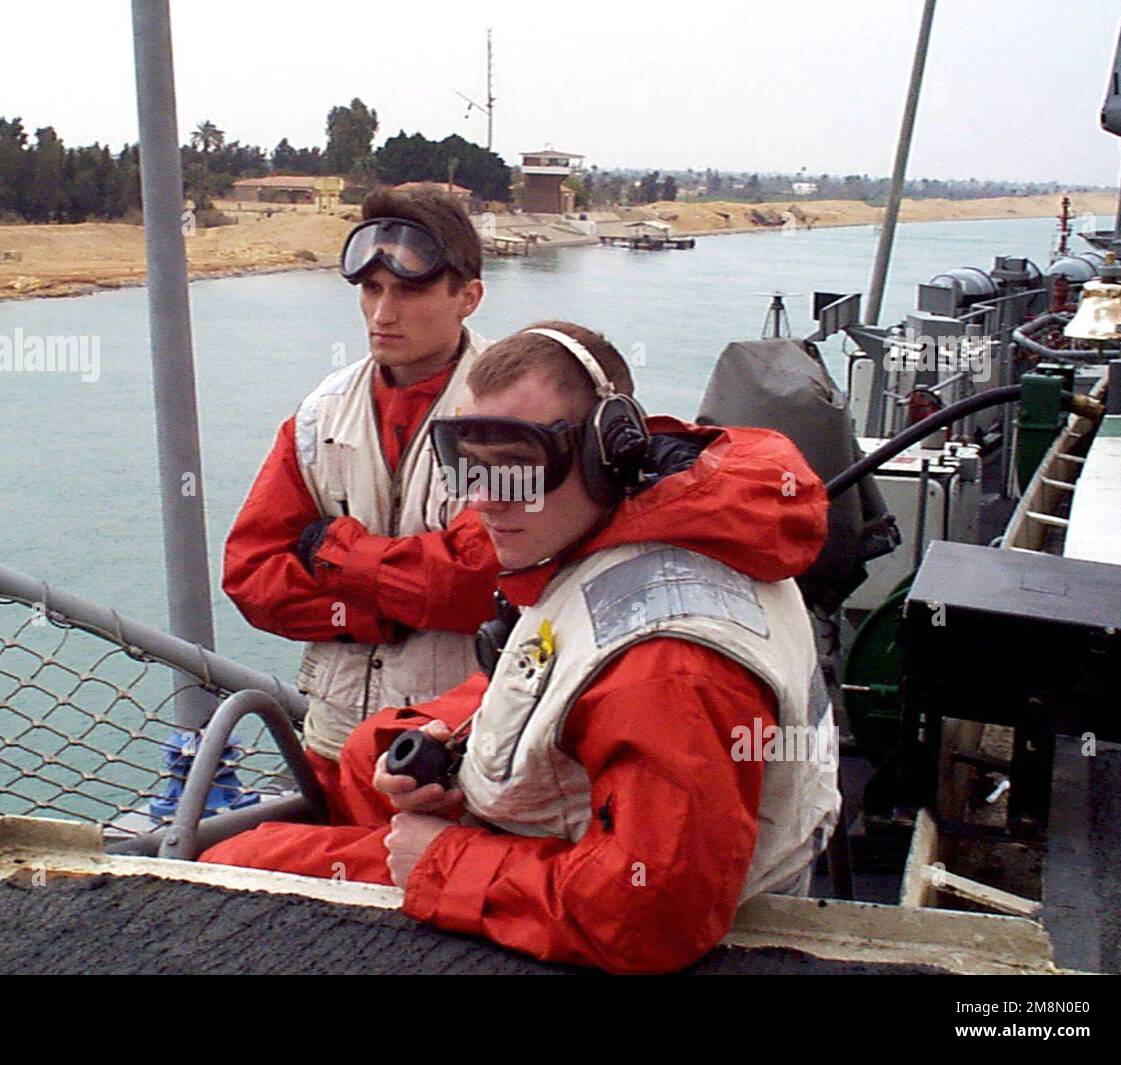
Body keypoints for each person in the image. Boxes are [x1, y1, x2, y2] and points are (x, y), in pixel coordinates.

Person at [203, 321, 841, 975]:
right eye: (469, 466)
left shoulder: (669, 667)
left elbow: (651, 913)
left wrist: (442, 863)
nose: (485, 501)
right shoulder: (638, 524)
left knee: (224, 871)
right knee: (373, 748)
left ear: (607, 452)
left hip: (595, 896)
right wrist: (451, 741)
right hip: (566, 837)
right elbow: (568, 668)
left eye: (519, 467)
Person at [222, 189, 502, 819]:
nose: (383, 312)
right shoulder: (321, 415)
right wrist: (376, 614)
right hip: (334, 739)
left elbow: (475, 583)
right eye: (371, 289)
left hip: (457, 748)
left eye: (409, 292)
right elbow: (250, 575)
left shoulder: (514, 410)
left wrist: (331, 550)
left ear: (468, 297)